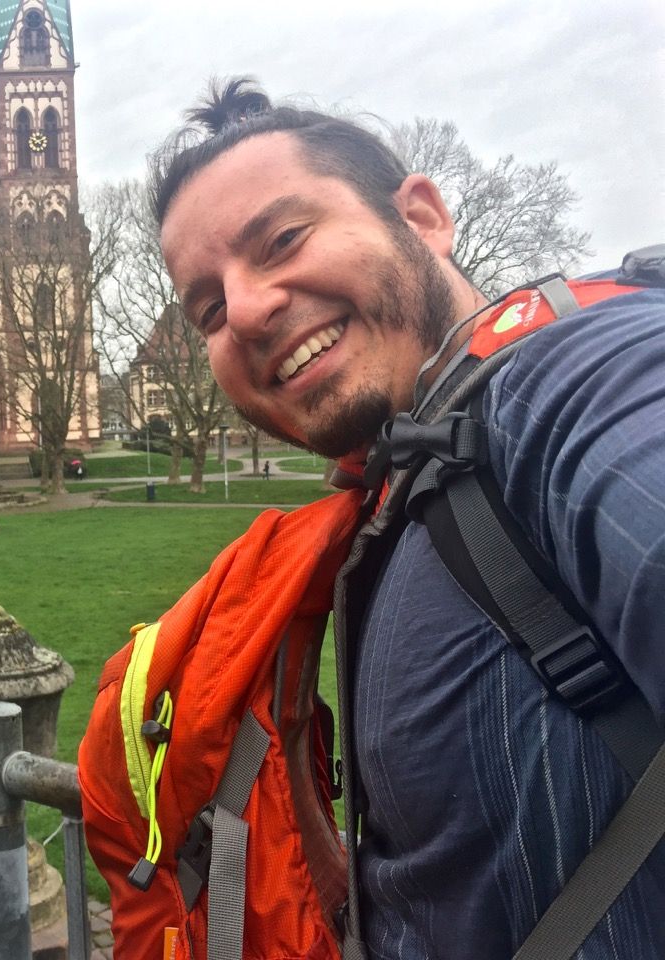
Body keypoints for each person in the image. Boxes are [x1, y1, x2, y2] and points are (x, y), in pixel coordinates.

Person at [149, 78, 664, 957]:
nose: (244, 310)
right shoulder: (414, 474)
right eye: (207, 307)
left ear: (422, 218)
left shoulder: (576, 377)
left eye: (282, 239)